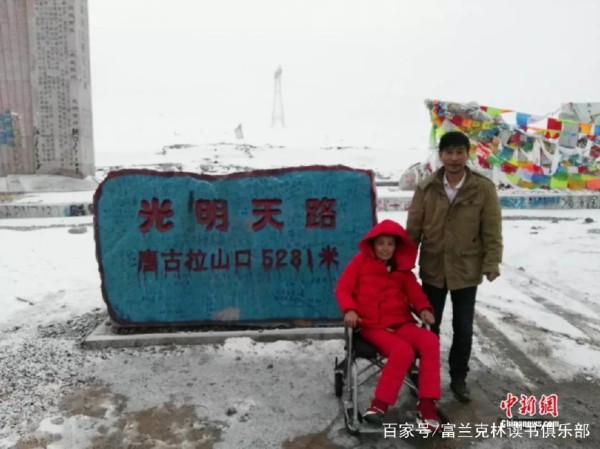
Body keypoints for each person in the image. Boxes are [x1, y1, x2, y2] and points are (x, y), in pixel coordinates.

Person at [406, 130, 503, 403]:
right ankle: (426, 375)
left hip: (466, 269)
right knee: (429, 326)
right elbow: (413, 229)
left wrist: (492, 261)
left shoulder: (483, 188)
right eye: (448, 152)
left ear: (467, 154)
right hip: (433, 268)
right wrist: (403, 264)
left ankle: (458, 377)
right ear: (441, 155)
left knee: (463, 328)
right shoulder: (427, 188)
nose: (454, 158)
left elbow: (492, 230)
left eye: (459, 152)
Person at [335, 219, 441, 430]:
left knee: (430, 340)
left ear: (396, 247)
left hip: (401, 323)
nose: (385, 248)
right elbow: (343, 288)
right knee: (403, 351)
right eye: (381, 243)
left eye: (390, 244)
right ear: (373, 245)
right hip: (372, 325)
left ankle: (427, 404)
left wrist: (424, 308)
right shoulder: (360, 262)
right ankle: (379, 405)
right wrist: (350, 309)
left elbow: (416, 293)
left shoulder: (403, 270)